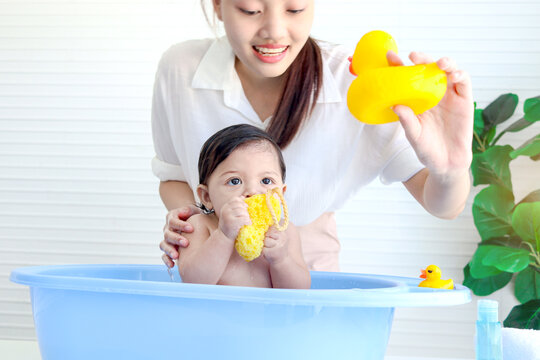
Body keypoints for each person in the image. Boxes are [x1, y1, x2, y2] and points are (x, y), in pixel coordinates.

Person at [152, 0, 473, 272]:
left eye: (295, 8)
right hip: (212, 274)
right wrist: (192, 226)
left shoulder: (353, 80)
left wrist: (450, 169)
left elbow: (444, 205)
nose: (275, 31)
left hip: (308, 276)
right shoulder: (180, 68)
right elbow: (174, 177)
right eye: (250, 10)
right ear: (218, 6)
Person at [177, 123, 310, 288]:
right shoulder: (199, 226)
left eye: (266, 181)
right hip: (214, 313)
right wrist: (223, 235)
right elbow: (192, 281)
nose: (252, 191)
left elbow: (299, 290)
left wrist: (282, 261)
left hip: (267, 314)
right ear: (206, 196)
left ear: (281, 193)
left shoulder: (284, 231)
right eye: (234, 181)